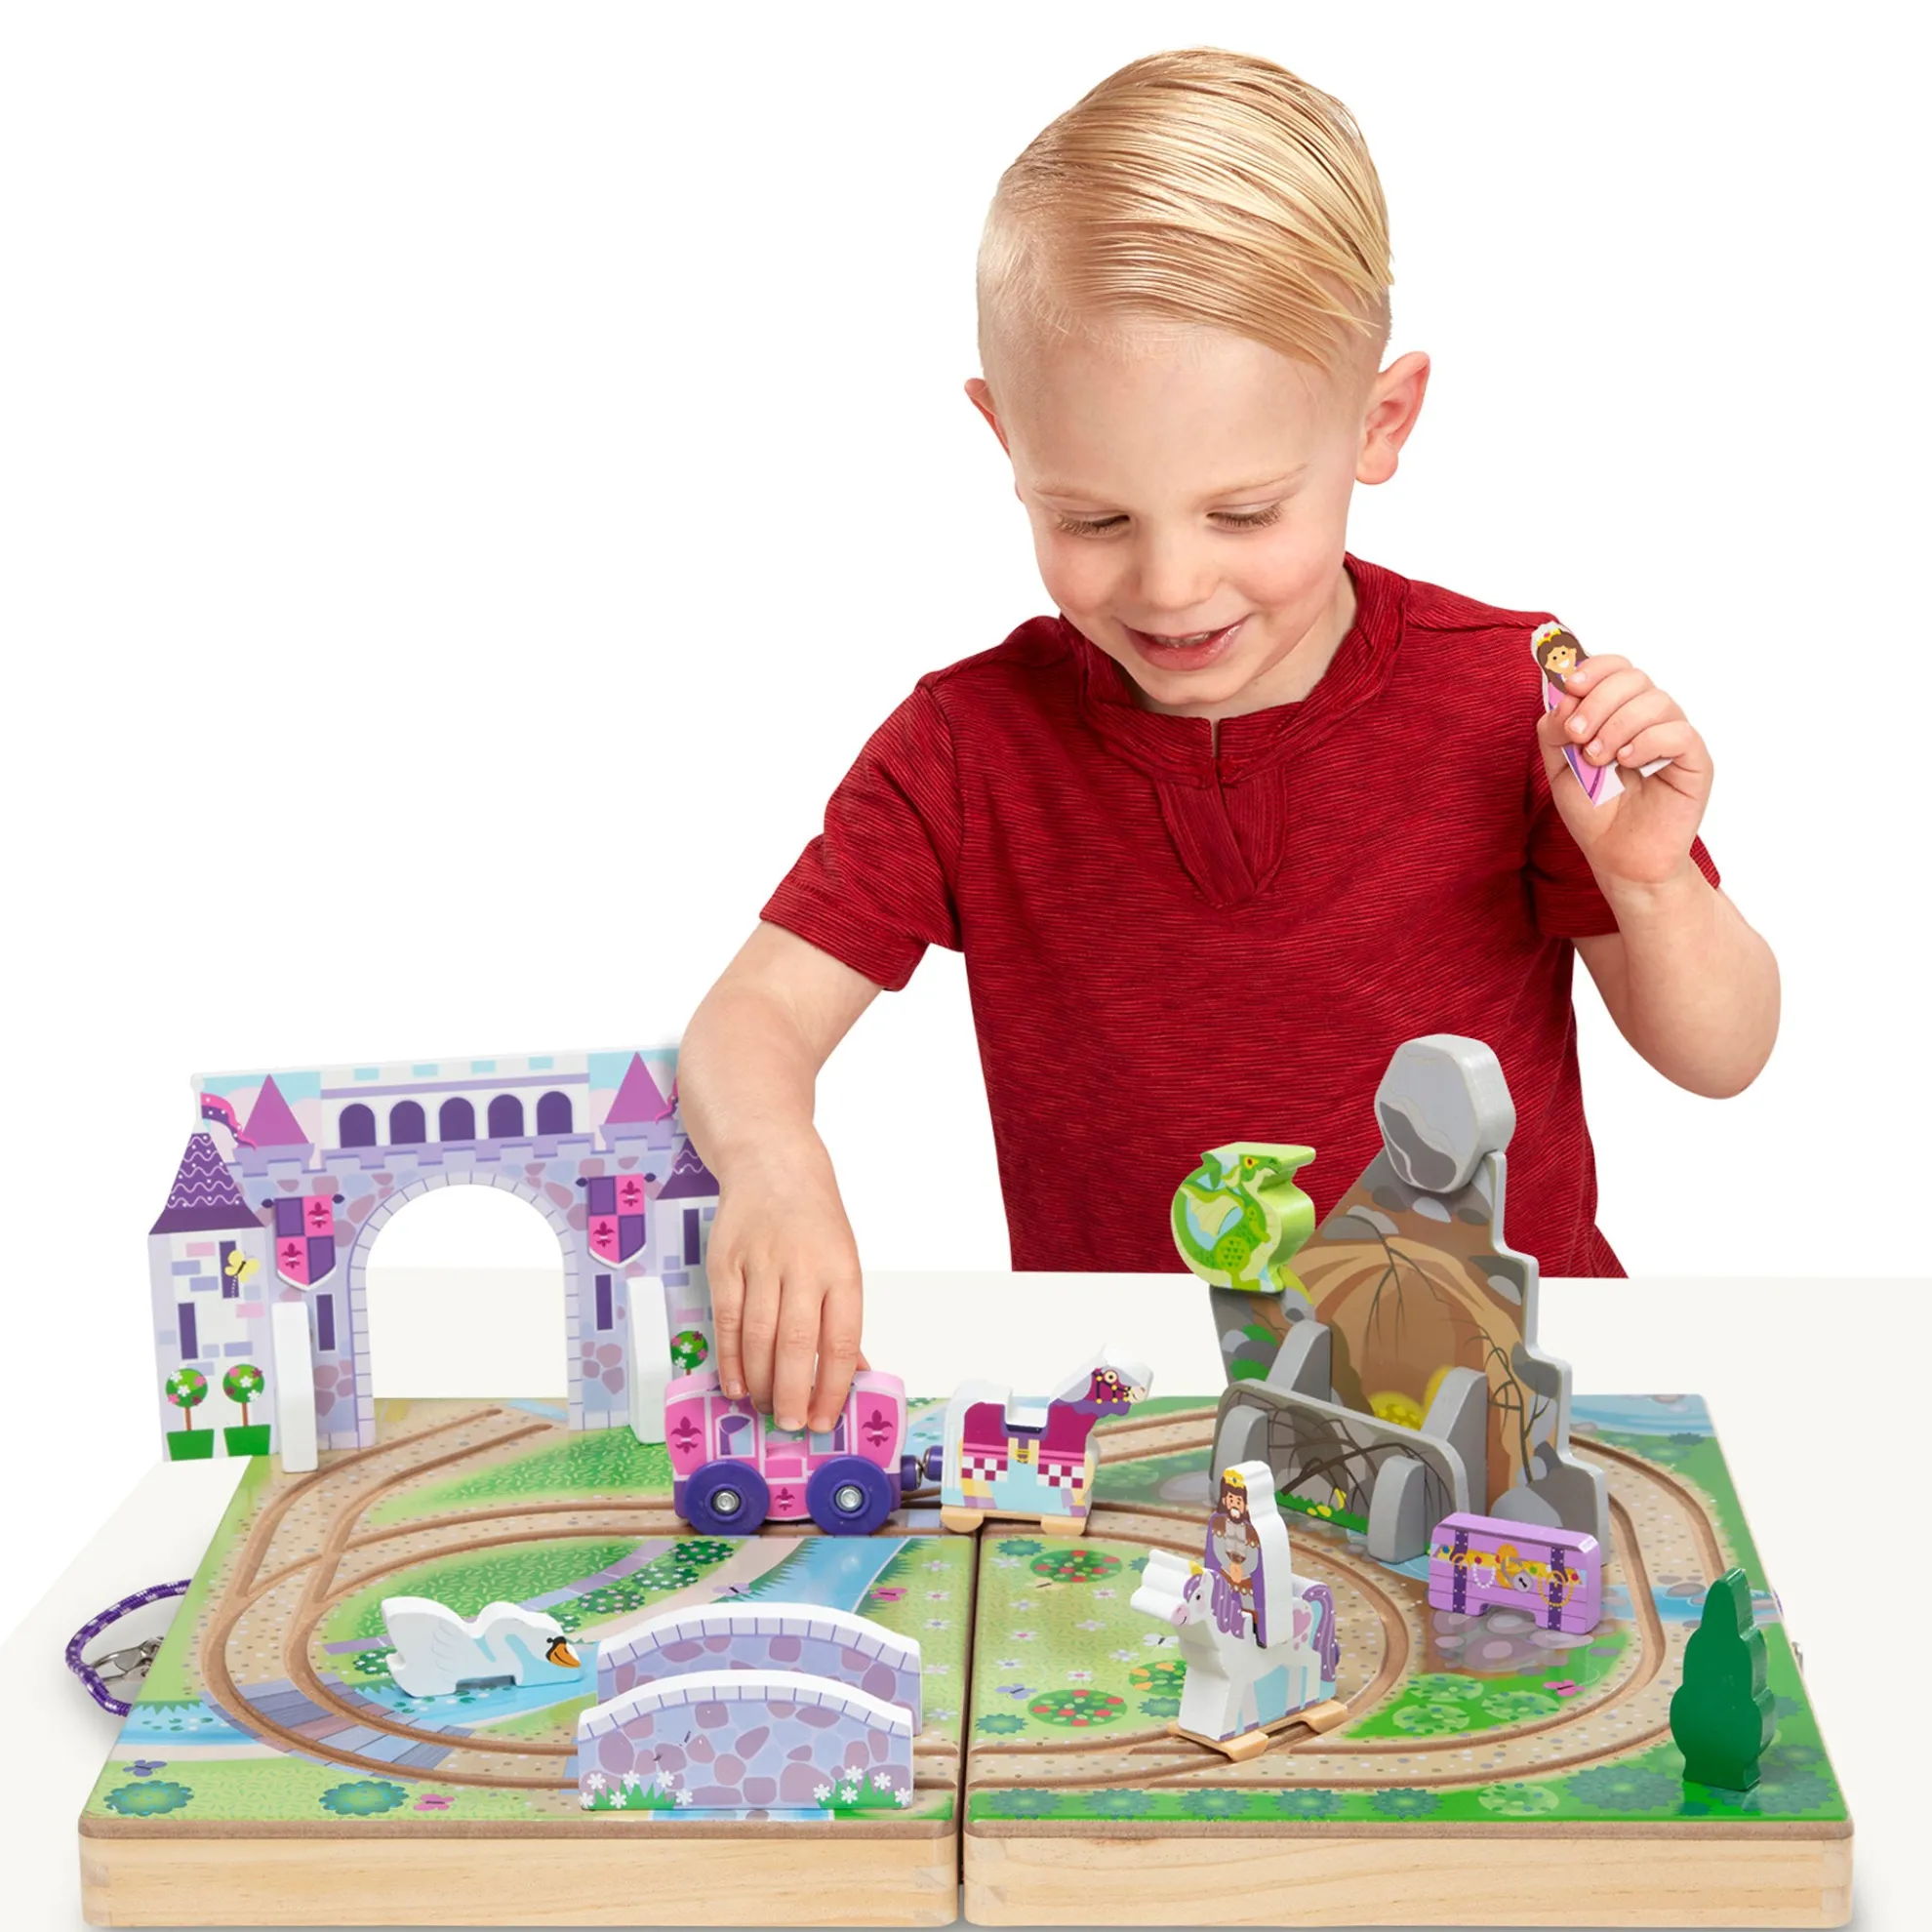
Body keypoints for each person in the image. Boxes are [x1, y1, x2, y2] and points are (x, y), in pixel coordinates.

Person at [676, 48, 1780, 1437]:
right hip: (1161, 1422)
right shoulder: (968, 746)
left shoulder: (1512, 698)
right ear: (1005, 439)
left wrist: (1653, 879)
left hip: (1507, 1402)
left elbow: (1724, 1053)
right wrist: (775, 1165)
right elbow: (752, 1018)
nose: (1171, 585)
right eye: (1091, 519)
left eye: (1244, 514)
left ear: (1379, 423)